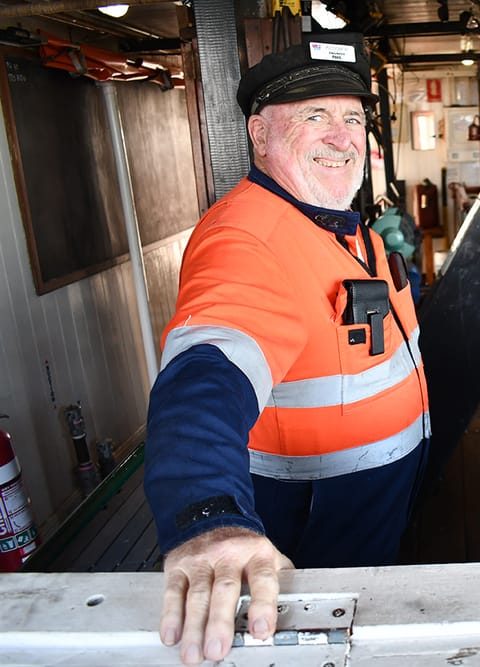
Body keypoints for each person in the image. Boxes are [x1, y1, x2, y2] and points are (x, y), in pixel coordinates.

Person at [142, 32, 430, 666]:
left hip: (371, 504)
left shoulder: (339, 221)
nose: (341, 135)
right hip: (312, 529)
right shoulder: (245, 239)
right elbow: (205, 375)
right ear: (259, 134)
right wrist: (207, 515)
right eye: (314, 116)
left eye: (352, 117)